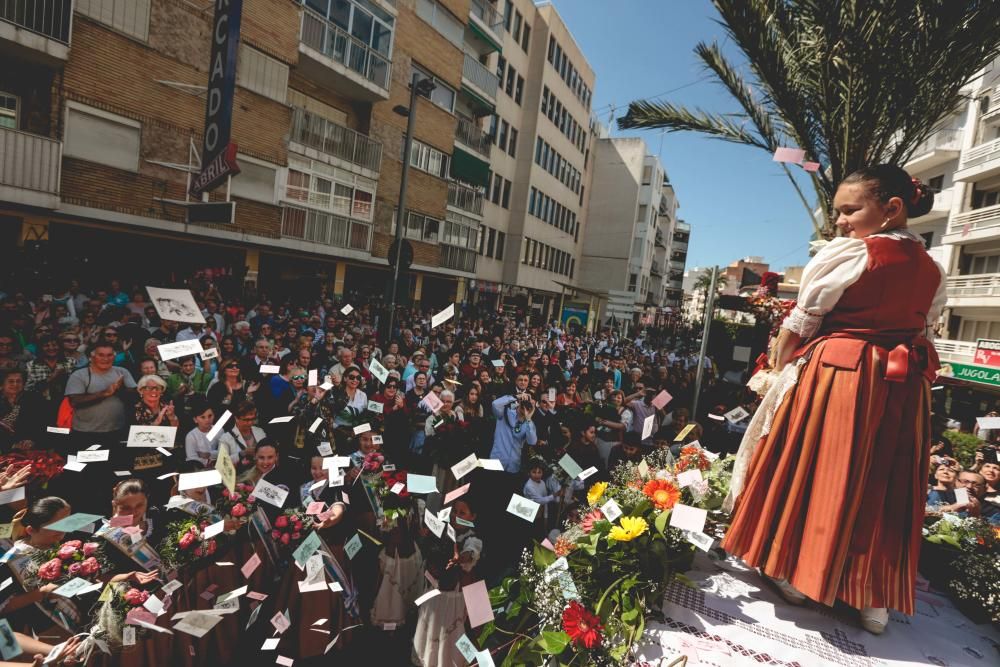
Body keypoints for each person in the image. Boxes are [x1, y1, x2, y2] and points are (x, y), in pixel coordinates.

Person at [722, 165, 945, 634]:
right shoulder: (931, 268)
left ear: (891, 210)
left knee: (822, 467)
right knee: (885, 482)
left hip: (842, 374)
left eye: (850, 210)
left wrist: (779, 375)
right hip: (905, 385)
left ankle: (798, 574)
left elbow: (798, 325)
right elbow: (925, 329)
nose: (840, 221)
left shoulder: (849, 254)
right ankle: (871, 600)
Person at [0, 496, 82, 636]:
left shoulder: (64, 546)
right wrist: (41, 592)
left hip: (79, 620)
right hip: (44, 630)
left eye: (66, 523)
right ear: (31, 530)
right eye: (56, 527)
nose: (62, 532)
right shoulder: (13, 559)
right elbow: (4, 607)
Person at [64, 341, 137, 452]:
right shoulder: (79, 375)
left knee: (114, 465)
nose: (105, 359)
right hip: (85, 433)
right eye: (101, 355)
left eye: (109, 355)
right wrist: (104, 393)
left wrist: (120, 390)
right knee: (87, 467)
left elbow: (134, 399)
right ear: (91, 357)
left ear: (114, 356)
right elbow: (75, 402)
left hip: (117, 431)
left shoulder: (122, 372)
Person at [0, 368, 46, 453]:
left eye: (19, 381)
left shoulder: (35, 399)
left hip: (30, 447)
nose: (15, 384)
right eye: (11, 381)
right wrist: (12, 445)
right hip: (4, 447)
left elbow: (42, 424)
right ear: (2, 384)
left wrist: (33, 440)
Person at [217, 400, 266, 467]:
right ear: (236, 418)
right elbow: (221, 462)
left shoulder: (260, 431)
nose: (250, 423)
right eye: (246, 420)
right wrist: (242, 453)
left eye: (253, 419)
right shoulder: (225, 438)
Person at [184, 399, 216, 466]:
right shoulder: (191, 436)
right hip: (198, 468)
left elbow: (225, 450)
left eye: (210, 416)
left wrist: (208, 454)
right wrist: (207, 462)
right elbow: (191, 457)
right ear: (195, 419)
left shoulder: (218, 430)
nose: (207, 420)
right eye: (203, 417)